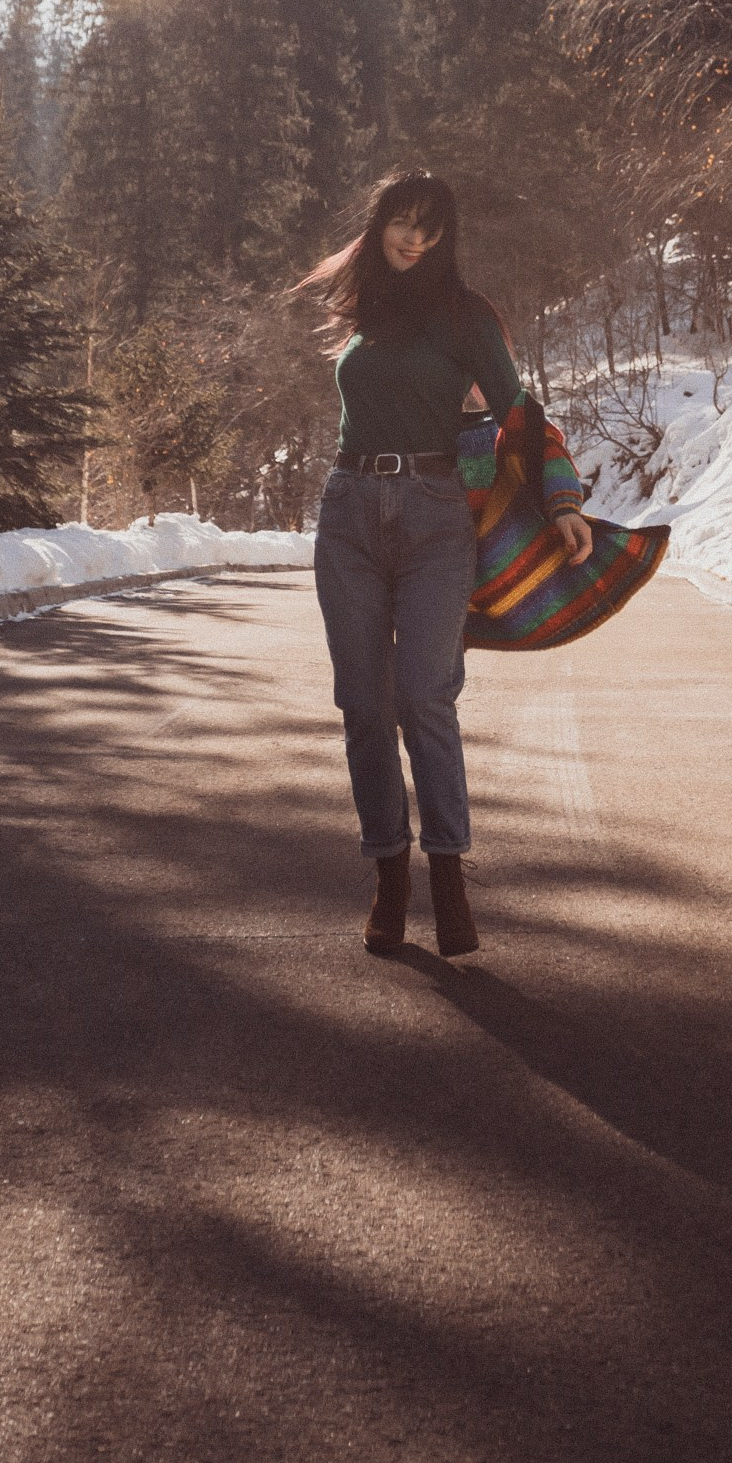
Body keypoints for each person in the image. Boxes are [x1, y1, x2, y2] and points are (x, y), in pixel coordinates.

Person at [295, 172, 591, 960]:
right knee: (363, 705)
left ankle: (449, 875)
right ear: (379, 224)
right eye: (403, 222)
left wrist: (562, 498)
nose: (415, 239)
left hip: (434, 517)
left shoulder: (466, 317)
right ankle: (389, 875)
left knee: (425, 696)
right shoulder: (363, 312)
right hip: (350, 512)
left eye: (431, 229)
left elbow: (519, 413)